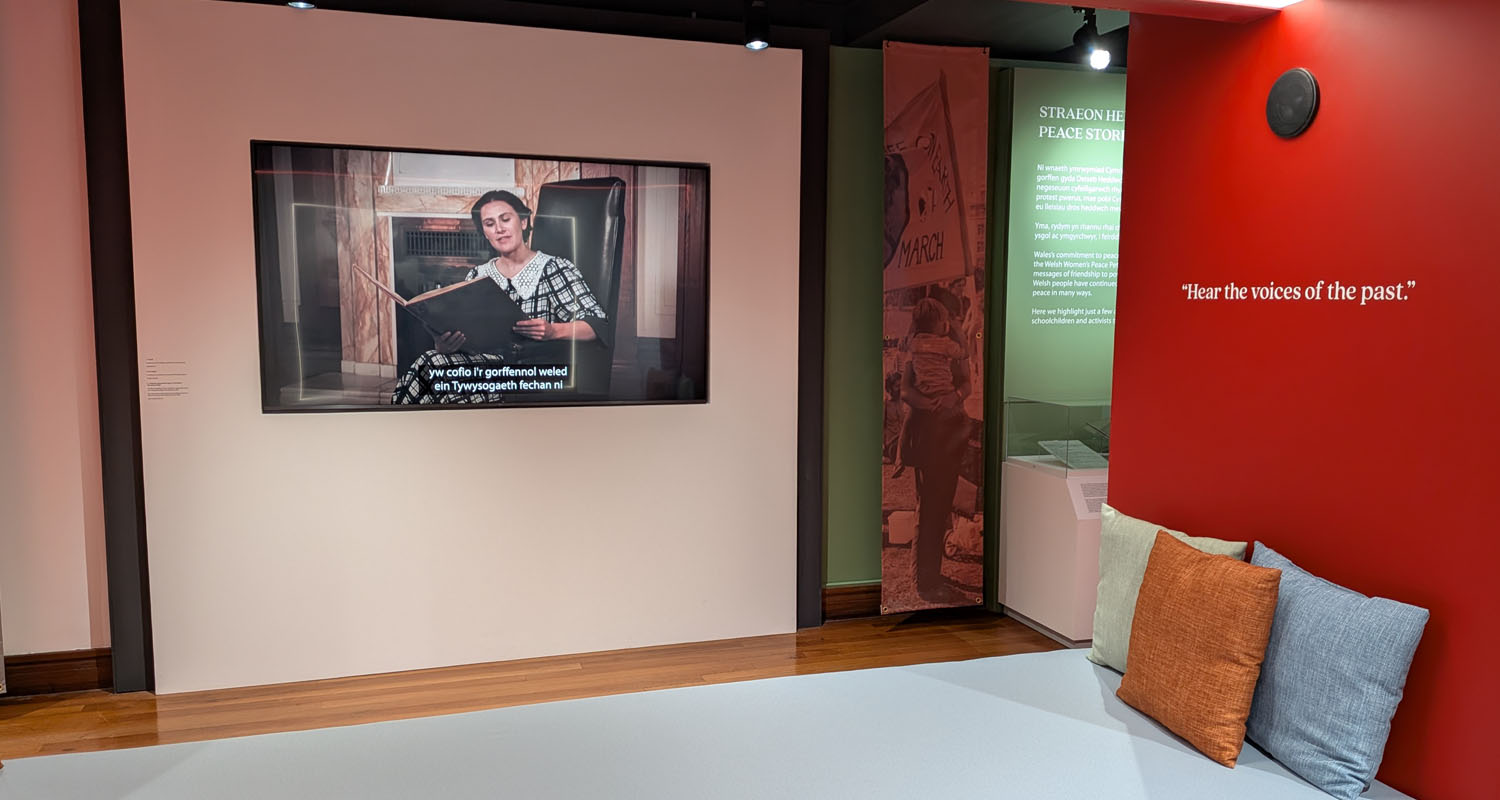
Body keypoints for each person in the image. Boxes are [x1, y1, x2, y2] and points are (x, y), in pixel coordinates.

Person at [392, 190, 608, 404]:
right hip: (485, 363)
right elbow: (469, 332)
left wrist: (553, 330)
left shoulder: (553, 268)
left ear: (523, 222)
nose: (499, 229)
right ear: (485, 233)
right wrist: (446, 344)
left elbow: (597, 326)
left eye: (505, 219)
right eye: (489, 223)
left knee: (438, 371)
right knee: (433, 361)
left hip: (530, 372)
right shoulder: (477, 275)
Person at [900, 297, 972, 605]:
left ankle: (931, 575)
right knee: (929, 509)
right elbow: (905, 390)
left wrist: (953, 397)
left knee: (940, 506)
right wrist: (933, 404)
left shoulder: (917, 345)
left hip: (948, 434)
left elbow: (966, 385)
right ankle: (925, 581)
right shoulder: (938, 347)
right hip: (930, 434)